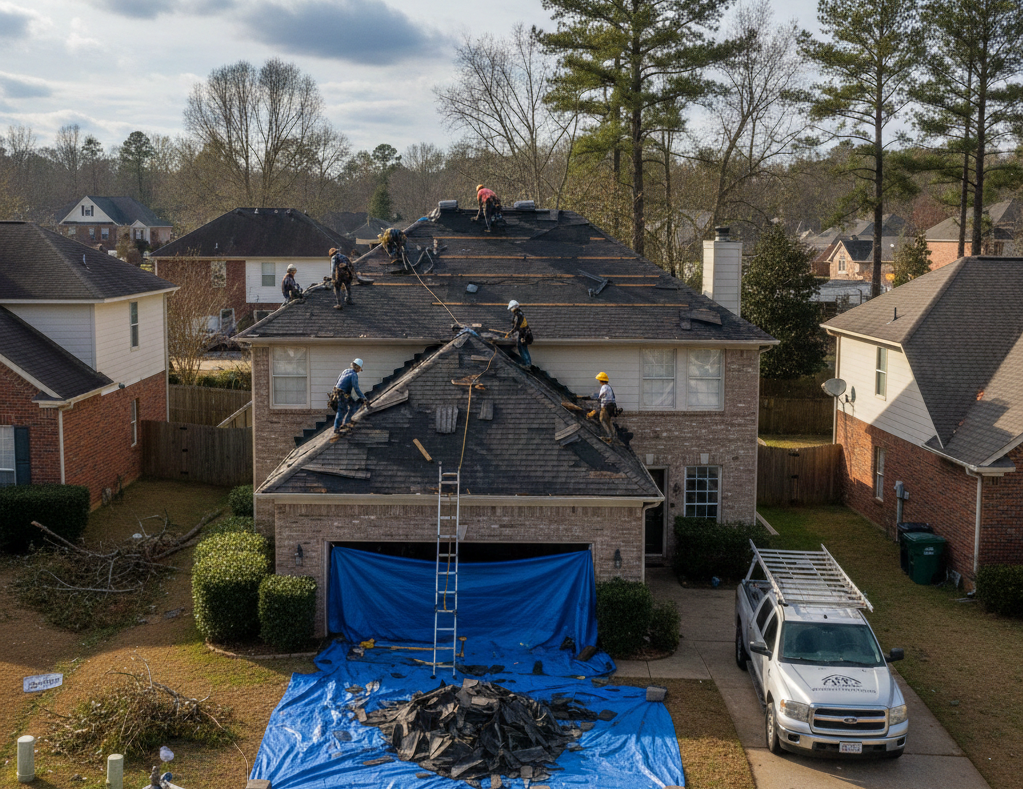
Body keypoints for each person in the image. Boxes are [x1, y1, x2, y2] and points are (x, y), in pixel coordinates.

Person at [333, 358, 369, 433]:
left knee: (349, 406)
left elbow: (337, 382)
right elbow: (356, 388)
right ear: (358, 367)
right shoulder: (354, 375)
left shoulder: (345, 371)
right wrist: (364, 398)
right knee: (345, 409)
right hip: (343, 395)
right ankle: (338, 427)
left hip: (338, 393)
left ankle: (343, 424)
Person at [589, 372, 616, 439]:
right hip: (611, 406)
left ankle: (608, 435)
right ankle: (613, 435)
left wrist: (596, 396)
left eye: (599, 380)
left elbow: (600, 395)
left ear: (601, 381)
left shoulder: (604, 387)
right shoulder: (609, 387)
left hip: (605, 407)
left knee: (602, 419)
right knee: (608, 420)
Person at [506, 300, 532, 366]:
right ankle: (529, 363)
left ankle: (527, 364)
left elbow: (516, 327)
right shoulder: (521, 314)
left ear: (513, 308)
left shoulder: (517, 316)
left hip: (522, 335)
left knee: (521, 349)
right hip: (525, 335)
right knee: (525, 349)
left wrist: (510, 333)